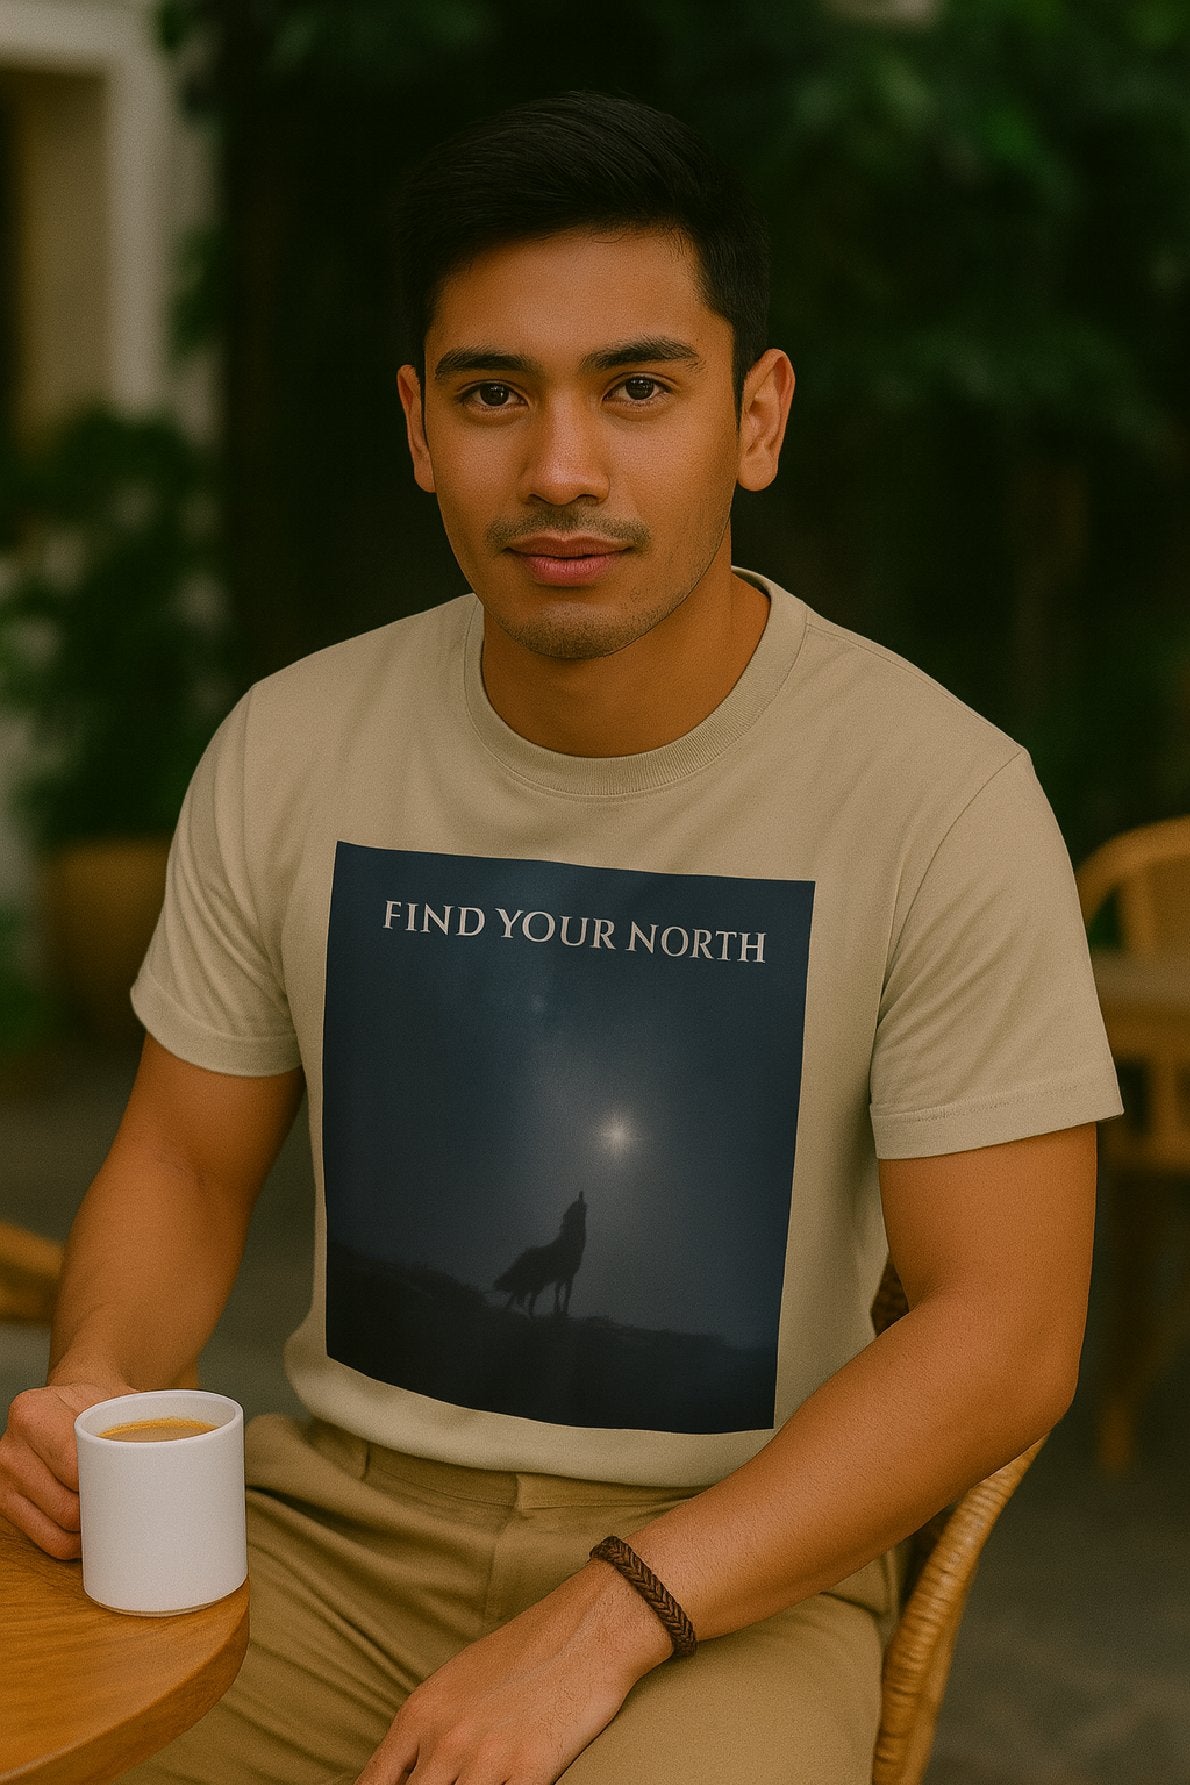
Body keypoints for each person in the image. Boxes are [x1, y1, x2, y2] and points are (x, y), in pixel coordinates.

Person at [0, 90, 1122, 1785]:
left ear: (756, 416)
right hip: (322, 1536)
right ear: (415, 426)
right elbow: (181, 1158)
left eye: (637, 387)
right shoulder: (295, 742)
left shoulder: (938, 797)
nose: (560, 468)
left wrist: (604, 1619)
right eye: (493, 394)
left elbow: (1005, 1329)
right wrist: (92, 1381)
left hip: (730, 1573)